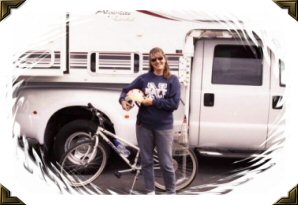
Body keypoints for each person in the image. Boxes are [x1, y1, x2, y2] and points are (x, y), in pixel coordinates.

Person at [119, 47, 181, 194]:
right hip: (144, 126)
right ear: (151, 62)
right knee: (147, 161)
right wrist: (123, 101)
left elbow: (174, 104)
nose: (157, 62)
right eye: (154, 59)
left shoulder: (172, 80)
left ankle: (171, 192)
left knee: (166, 163)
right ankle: (150, 192)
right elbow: (125, 91)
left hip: (164, 127)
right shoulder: (144, 79)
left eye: (160, 58)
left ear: (165, 59)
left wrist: (153, 102)